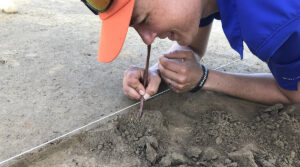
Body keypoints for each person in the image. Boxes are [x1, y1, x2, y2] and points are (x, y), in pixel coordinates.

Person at [82, 0, 300, 104]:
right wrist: (162, 70)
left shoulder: (275, 17)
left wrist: (205, 78)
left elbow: (293, 92)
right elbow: (193, 47)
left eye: (143, 20)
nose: (147, 38)